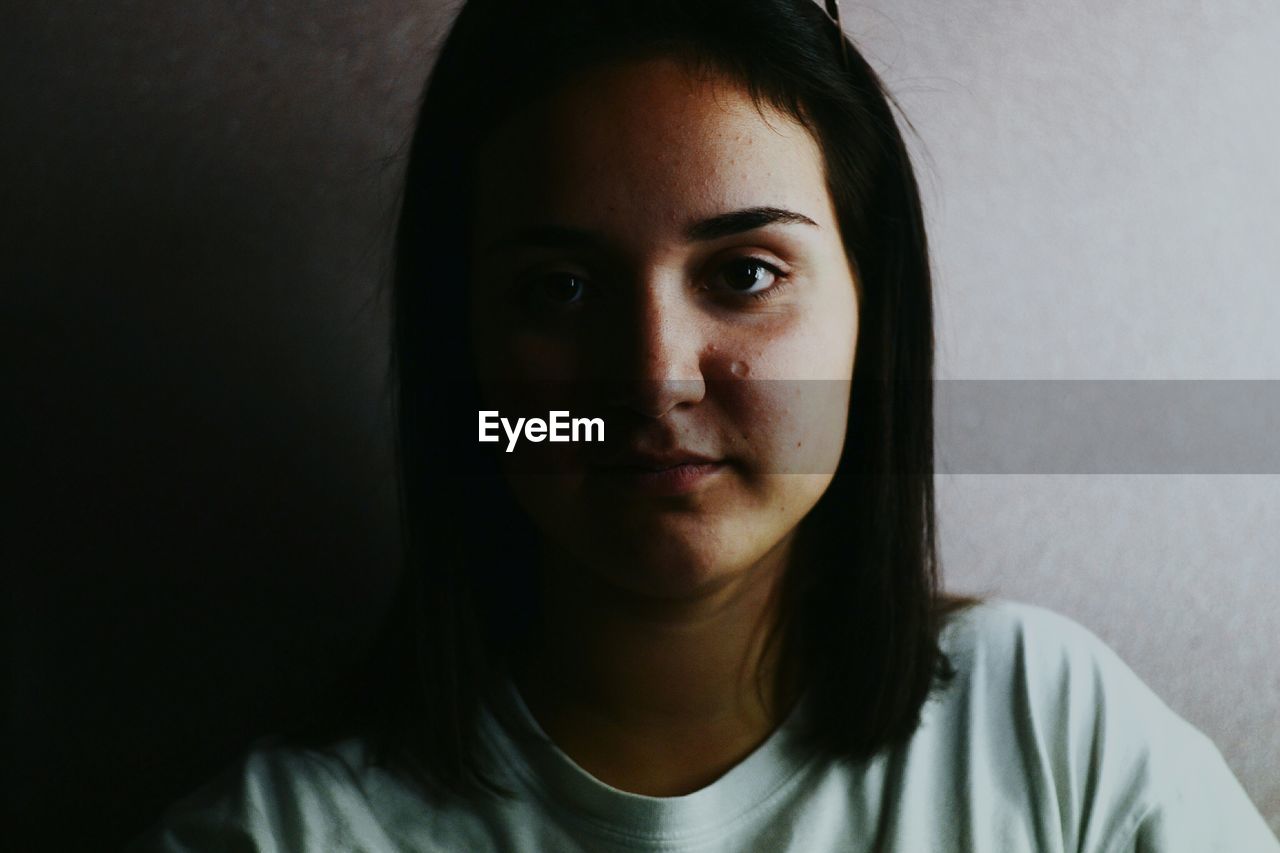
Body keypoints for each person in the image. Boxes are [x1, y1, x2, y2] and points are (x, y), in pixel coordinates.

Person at [131, 0, 1278, 850]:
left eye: (741, 274)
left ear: (867, 326)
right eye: (558, 290)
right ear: (463, 357)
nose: (651, 379)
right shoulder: (283, 835)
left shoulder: (1048, 733)